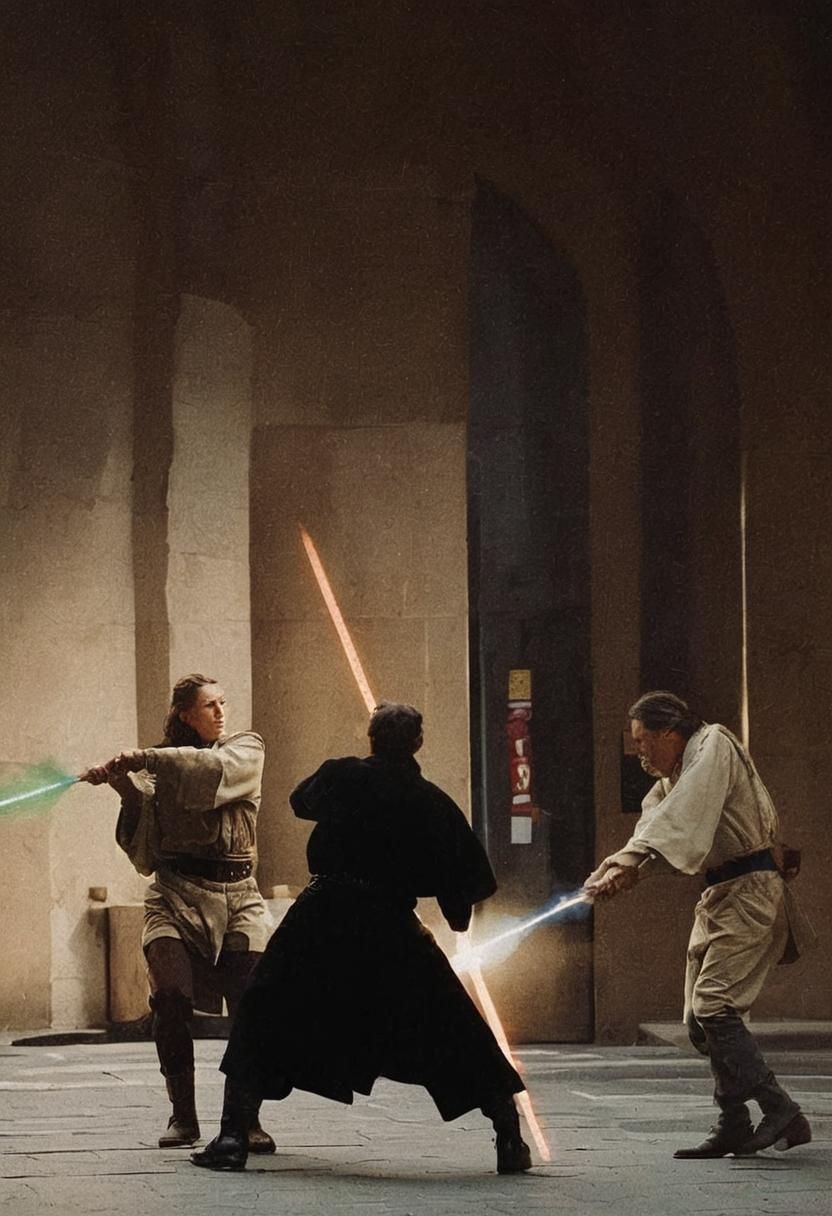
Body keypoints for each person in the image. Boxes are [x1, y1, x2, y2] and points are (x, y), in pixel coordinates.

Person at [190, 701, 531, 1176]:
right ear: (417, 743)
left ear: (370, 737)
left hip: (322, 915)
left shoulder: (342, 775)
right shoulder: (429, 799)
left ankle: (232, 1136)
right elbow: (466, 879)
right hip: (390, 924)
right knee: (451, 1025)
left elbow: (299, 801)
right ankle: (509, 1136)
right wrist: (454, 916)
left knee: (265, 1007)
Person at [584, 691, 815, 1159]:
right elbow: (657, 826)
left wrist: (628, 863)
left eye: (644, 740)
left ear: (671, 732)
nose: (640, 752)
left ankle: (781, 1108)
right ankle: (734, 1120)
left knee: (714, 1005)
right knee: (700, 1019)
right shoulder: (673, 779)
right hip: (720, 895)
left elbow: (680, 817)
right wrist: (620, 872)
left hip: (750, 890)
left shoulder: (713, 746)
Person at [81, 673, 275, 1153]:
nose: (220, 712)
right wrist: (123, 786)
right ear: (186, 714)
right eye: (209, 706)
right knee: (169, 997)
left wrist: (144, 758)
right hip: (174, 895)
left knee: (251, 1004)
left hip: (238, 899)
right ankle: (183, 1116)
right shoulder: (159, 768)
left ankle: (245, 1118)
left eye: (222, 703)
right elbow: (148, 842)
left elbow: (206, 774)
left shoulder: (246, 748)